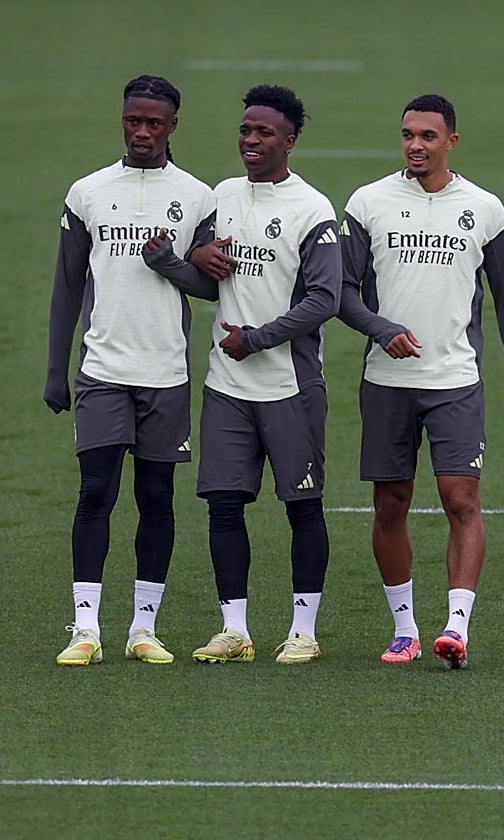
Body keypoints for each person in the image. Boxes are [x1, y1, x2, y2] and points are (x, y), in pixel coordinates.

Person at [338, 93, 504, 669]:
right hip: (386, 381)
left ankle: (456, 628)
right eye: (407, 135)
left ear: (451, 141)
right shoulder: (368, 203)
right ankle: (404, 631)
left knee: (461, 500)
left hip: (455, 379)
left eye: (428, 136)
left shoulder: (484, 208)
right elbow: (341, 293)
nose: (415, 145)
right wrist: (381, 330)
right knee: (390, 503)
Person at [142, 84, 341, 663]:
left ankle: (304, 631)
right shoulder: (222, 196)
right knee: (224, 506)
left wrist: (255, 339)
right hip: (226, 388)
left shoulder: (313, 209)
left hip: (290, 388)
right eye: (245, 130)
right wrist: (171, 263)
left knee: (303, 508)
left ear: (290, 141)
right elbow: (215, 282)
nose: (250, 141)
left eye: (264, 133)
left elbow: (324, 299)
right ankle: (237, 630)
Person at [46, 75, 216, 666]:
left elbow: (212, 285)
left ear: (173, 126)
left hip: (166, 373)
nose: (142, 132)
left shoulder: (197, 196)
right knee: (95, 493)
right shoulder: (87, 192)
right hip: (102, 369)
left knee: (156, 497)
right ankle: (85, 630)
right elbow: (67, 287)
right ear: (122, 120)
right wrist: (54, 371)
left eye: (153, 123)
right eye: (132, 121)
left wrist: (167, 261)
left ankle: (144, 629)